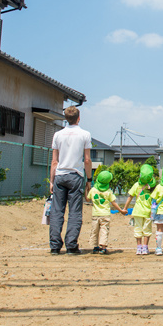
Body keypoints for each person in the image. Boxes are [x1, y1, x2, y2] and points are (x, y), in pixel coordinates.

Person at [49, 106, 92, 255]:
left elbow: (54, 161)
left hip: (60, 176)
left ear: (66, 118)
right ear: (79, 118)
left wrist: (51, 180)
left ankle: (55, 246)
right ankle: (71, 246)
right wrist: (89, 179)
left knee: (57, 211)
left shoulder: (57, 135)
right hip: (76, 176)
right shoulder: (85, 135)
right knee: (75, 212)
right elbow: (87, 160)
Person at [87, 170, 126, 254]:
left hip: (95, 214)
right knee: (104, 230)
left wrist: (87, 189)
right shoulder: (108, 192)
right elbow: (113, 203)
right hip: (105, 214)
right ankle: (103, 247)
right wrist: (121, 210)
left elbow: (87, 199)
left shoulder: (93, 190)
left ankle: (95, 247)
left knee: (95, 230)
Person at [122, 164, 157, 255]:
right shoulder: (152, 187)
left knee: (138, 229)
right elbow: (156, 200)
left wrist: (125, 208)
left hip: (137, 211)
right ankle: (145, 247)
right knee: (147, 229)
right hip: (149, 212)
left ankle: (139, 248)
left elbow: (130, 197)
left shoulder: (136, 185)